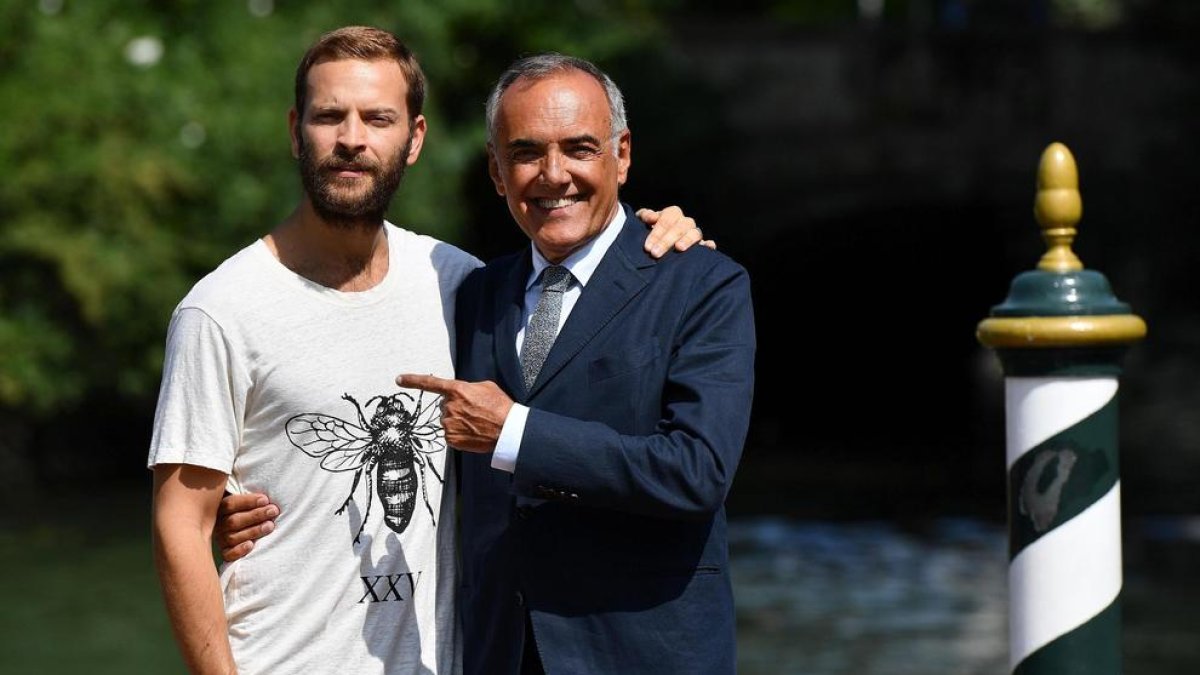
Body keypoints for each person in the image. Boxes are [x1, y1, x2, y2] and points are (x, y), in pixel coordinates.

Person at [147, 26, 705, 675]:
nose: (351, 138)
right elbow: (180, 525)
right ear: (296, 131)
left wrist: (661, 249)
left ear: (414, 139)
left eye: (377, 118)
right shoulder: (221, 310)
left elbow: (574, 388)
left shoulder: (461, 283)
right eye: (329, 116)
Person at [398, 54, 756, 674]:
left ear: (622, 155)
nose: (554, 174)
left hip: (642, 655)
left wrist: (516, 433)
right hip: (498, 652)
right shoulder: (474, 293)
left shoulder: (702, 283)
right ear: (496, 171)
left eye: (579, 149)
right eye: (526, 152)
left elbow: (697, 471)